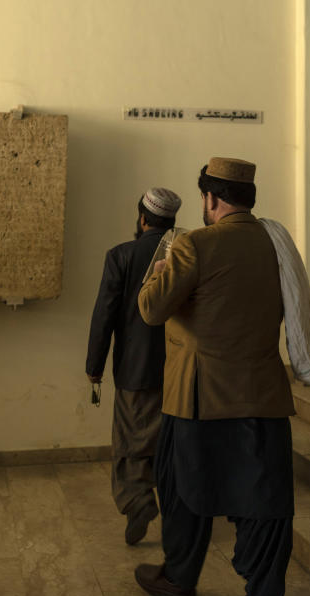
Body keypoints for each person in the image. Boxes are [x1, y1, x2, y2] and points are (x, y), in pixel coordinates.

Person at [134, 158, 295, 596]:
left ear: (210, 199)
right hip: (264, 396)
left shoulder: (194, 244)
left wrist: (158, 271)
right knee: (266, 505)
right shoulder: (275, 244)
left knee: (183, 491)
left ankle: (180, 577)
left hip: (198, 398)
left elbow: (150, 310)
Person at [86, 187, 181, 545]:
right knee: (170, 442)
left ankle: (138, 502)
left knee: (130, 443)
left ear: (142, 219)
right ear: (170, 223)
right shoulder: (184, 255)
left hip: (135, 371)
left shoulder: (121, 256)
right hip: (179, 370)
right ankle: (177, 513)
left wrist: (94, 365)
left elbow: (104, 316)